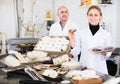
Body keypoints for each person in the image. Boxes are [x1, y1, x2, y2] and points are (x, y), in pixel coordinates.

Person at [71, 5, 113, 74]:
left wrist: (106, 52)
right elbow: (76, 51)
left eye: (96, 15)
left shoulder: (106, 34)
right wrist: (71, 39)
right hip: (84, 68)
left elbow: (109, 53)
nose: (93, 17)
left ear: (100, 17)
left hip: (100, 69)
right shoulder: (81, 33)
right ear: (87, 16)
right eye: (90, 15)